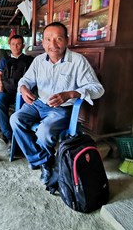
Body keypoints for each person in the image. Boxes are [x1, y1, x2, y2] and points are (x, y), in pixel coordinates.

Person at [9, 22, 104, 185]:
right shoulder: (39, 61)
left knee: (44, 132)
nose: (52, 44)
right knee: (15, 119)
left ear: (66, 40)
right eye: (47, 39)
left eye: (58, 39)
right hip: (38, 103)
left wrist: (70, 94)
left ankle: (42, 162)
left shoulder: (77, 61)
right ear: (43, 42)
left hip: (60, 109)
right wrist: (24, 89)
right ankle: (44, 161)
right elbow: (25, 80)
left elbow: (98, 89)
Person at [0, 34, 33, 150]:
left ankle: (20, 136)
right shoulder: (4, 60)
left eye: (18, 44)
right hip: (6, 90)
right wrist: (0, 85)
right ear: (9, 45)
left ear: (23, 45)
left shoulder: (29, 60)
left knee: (23, 109)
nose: (16, 47)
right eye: (13, 44)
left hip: (22, 93)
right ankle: (8, 135)